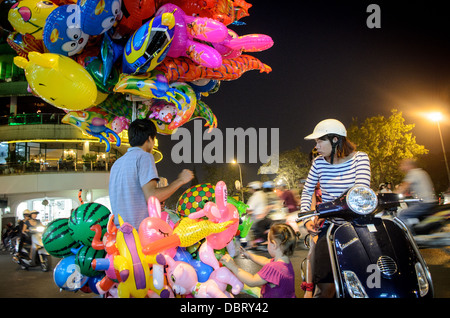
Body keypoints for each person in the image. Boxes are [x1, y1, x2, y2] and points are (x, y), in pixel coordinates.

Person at [300, 118, 371, 298]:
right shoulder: (318, 163)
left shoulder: (360, 158)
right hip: (331, 226)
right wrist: (307, 219)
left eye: (319, 141)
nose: (317, 146)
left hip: (358, 225)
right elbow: (307, 191)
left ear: (335, 139)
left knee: (370, 275)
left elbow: (360, 190)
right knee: (325, 285)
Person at [109, 119, 194, 229]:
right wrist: (180, 180)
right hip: (140, 234)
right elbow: (152, 196)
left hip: (120, 235)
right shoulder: (144, 156)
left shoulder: (117, 163)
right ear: (149, 139)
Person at [220, 223, 297, 298]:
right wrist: (250, 255)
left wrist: (233, 266)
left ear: (274, 245)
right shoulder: (285, 263)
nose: (267, 244)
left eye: (268, 241)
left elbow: (252, 281)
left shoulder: (273, 268)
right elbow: (265, 261)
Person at [395, 158, 437, 229]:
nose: (401, 167)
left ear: (408, 165)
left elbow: (403, 188)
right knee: (409, 207)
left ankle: (411, 238)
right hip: (430, 201)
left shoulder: (413, 173)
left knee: (402, 215)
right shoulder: (422, 172)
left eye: (403, 165)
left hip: (424, 203)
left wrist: (390, 195)